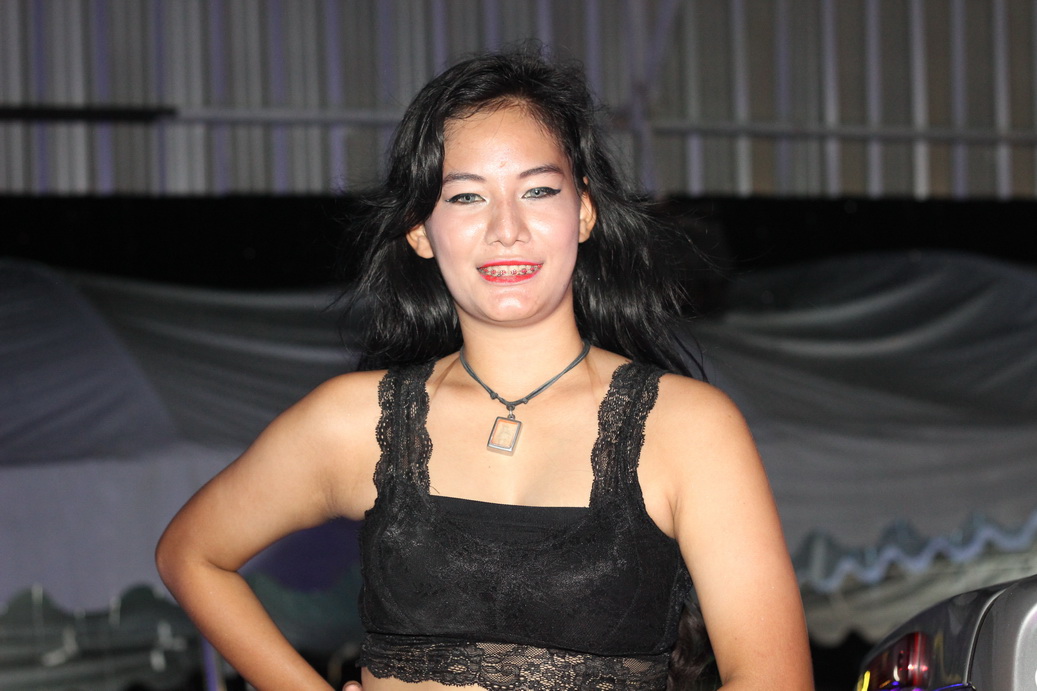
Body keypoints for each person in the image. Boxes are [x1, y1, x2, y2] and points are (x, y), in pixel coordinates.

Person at [156, 46, 813, 690]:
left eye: (537, 190)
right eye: (466, 197)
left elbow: (774, 677)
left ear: (583, 211)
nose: (506, 227)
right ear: (419, 229)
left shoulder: (689, 428)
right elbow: (192, 553)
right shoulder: (354, 421)